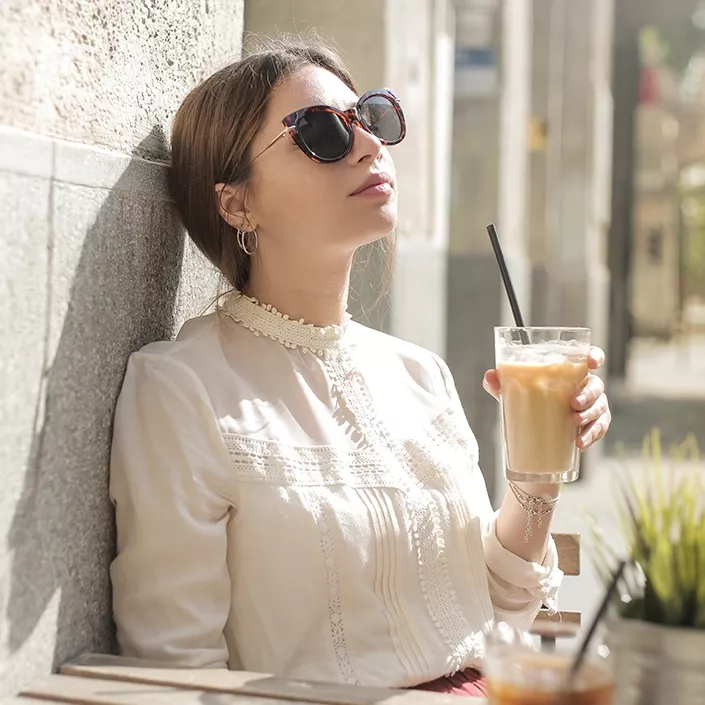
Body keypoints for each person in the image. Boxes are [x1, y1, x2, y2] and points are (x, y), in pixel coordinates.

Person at [109, 38, 611, 697]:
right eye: (319, 133)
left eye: (370, 119)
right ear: (236, 204)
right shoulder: (185, 387)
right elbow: (176, 672)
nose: (368, 146)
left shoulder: (420, 374)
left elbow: (499, 611)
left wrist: (535, 475)